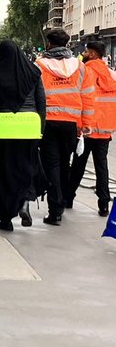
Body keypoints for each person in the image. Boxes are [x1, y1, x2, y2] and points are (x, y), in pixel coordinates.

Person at [0, 40, 46, 231]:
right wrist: (41, 128)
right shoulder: (34, 74)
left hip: (3, 130)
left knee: (2, 174)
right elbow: (41, 102)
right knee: (26, 169)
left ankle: (5, 219)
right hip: (29, 128)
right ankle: (24, 201)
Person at [36, 29, 94, 225]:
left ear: (49, 44)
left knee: (51, 164)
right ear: (67, 45)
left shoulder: (40, 65)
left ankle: (55, 210)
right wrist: (85, 125)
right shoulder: (80, 66)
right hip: (71, 123)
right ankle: (62, 201)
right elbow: (88, 96)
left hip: (48, 122)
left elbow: (35, 95)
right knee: (63, 163)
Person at [65, 40, 116, 216]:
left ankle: (68, 197)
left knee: (78, 164)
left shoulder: (85, 72)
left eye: (86, 52)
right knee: (102, 167)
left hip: (87, 129)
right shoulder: (111, 74)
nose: (84, 54)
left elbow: (80, 99)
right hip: (105, 130)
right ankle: (103, 204)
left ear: (93, 54)